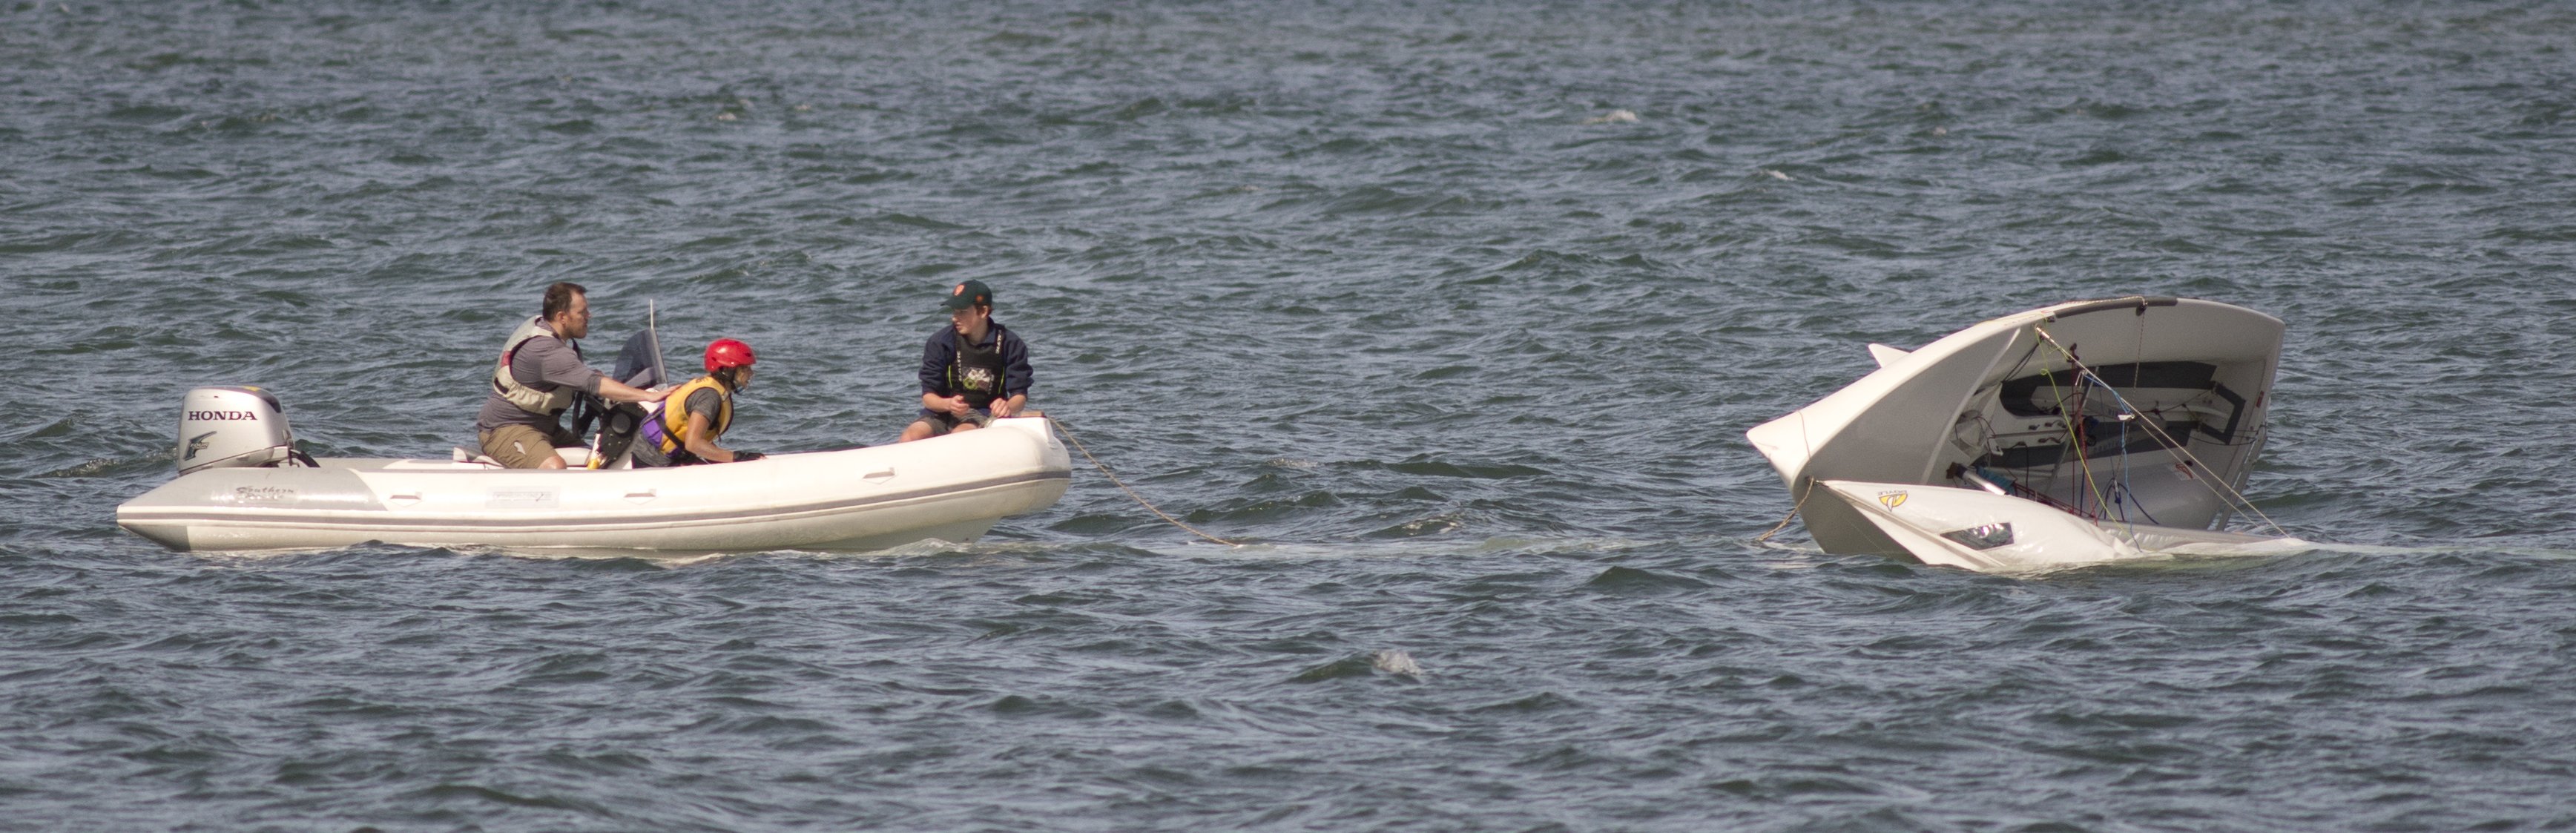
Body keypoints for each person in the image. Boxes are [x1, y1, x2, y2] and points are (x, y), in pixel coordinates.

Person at [472, 282, 669, 469]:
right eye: (582, 312)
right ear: (562, 317)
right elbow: (593, 383)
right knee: (555, 467)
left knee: (599, 459)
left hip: (545, 429)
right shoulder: (546, 350)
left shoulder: (551, 335)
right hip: (504, 430)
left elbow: (580, 376)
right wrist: (647, 396)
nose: (588, 316)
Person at [900, 279, 1032, 442]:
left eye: (962, 312)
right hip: (940, 412)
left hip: (982, 414)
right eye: (954, 311)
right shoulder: (940, 342)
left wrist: (1007, 406)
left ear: (983, 311)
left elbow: (1019, 396)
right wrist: (948, 404)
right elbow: (928, 398)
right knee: (910, 437)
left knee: (960, 434)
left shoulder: (1011, 344)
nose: (954, 318)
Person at [636, 338, 764, 466]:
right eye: (744, 368)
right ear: (725, 370)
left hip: (675, 454)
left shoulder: (717, 390)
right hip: (653, 459)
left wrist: (728, 458)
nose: (750, 373)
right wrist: (737, 457)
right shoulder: (709, 397)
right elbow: (693, 443)